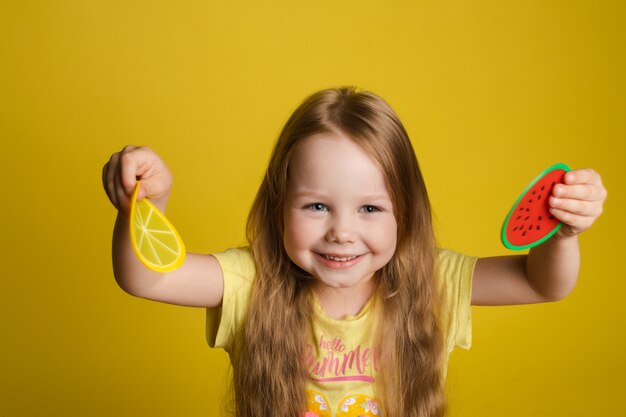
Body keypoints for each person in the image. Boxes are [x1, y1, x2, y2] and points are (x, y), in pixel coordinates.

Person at [102, 87, 607, 417]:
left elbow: (544, 283)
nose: (342, 232)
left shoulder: (433, 282)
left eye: (369, 209)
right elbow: (148, 278)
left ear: (404, 213)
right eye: (317, 205)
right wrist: (148, 207)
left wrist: (562, 234)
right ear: (279, 207)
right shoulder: (250, 281)